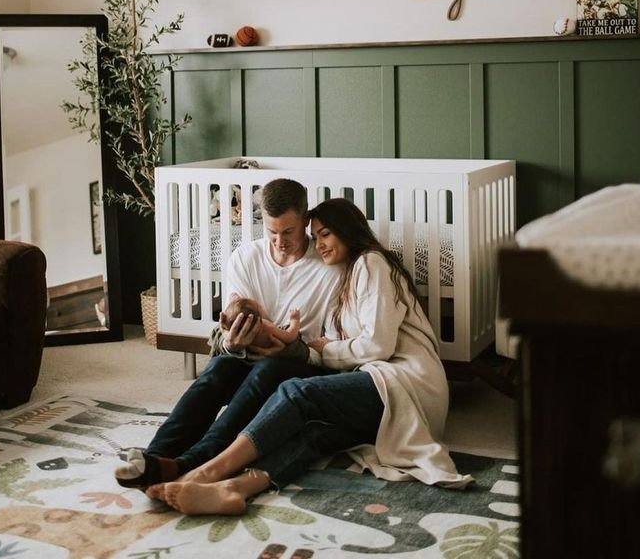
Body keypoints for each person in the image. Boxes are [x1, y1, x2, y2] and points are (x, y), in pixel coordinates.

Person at [145, 197, 472, 515]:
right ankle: (236, 489)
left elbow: (377, 346)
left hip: (404, 381)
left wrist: (318, 353)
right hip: (376, 384)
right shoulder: (343, 281)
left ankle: (203, 472)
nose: (320, 244)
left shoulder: (371, 262)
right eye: (316, 236)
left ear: (348, 230)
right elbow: (339, 343)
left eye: (326, 234)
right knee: (313, 432)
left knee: (297, 392)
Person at [115, 178, 341, 489]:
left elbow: (330, 344)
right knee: (217, 370)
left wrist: (294, 349)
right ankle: (155, 456)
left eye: (288, 232)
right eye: (272, 232)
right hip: (245, 352)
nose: (280, 241)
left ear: (305, 221)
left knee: (266, 371)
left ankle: (190, 463)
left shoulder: (329, 267)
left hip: (293, 361)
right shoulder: (246, 257)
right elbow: (232, 321)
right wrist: (233, 342)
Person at [219, 296, 307, 361]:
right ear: (259, 319)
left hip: (243, 359)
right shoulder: (267, 329)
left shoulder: (234, 335)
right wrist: (295, 320)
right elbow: (290, 336)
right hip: (268, 361)